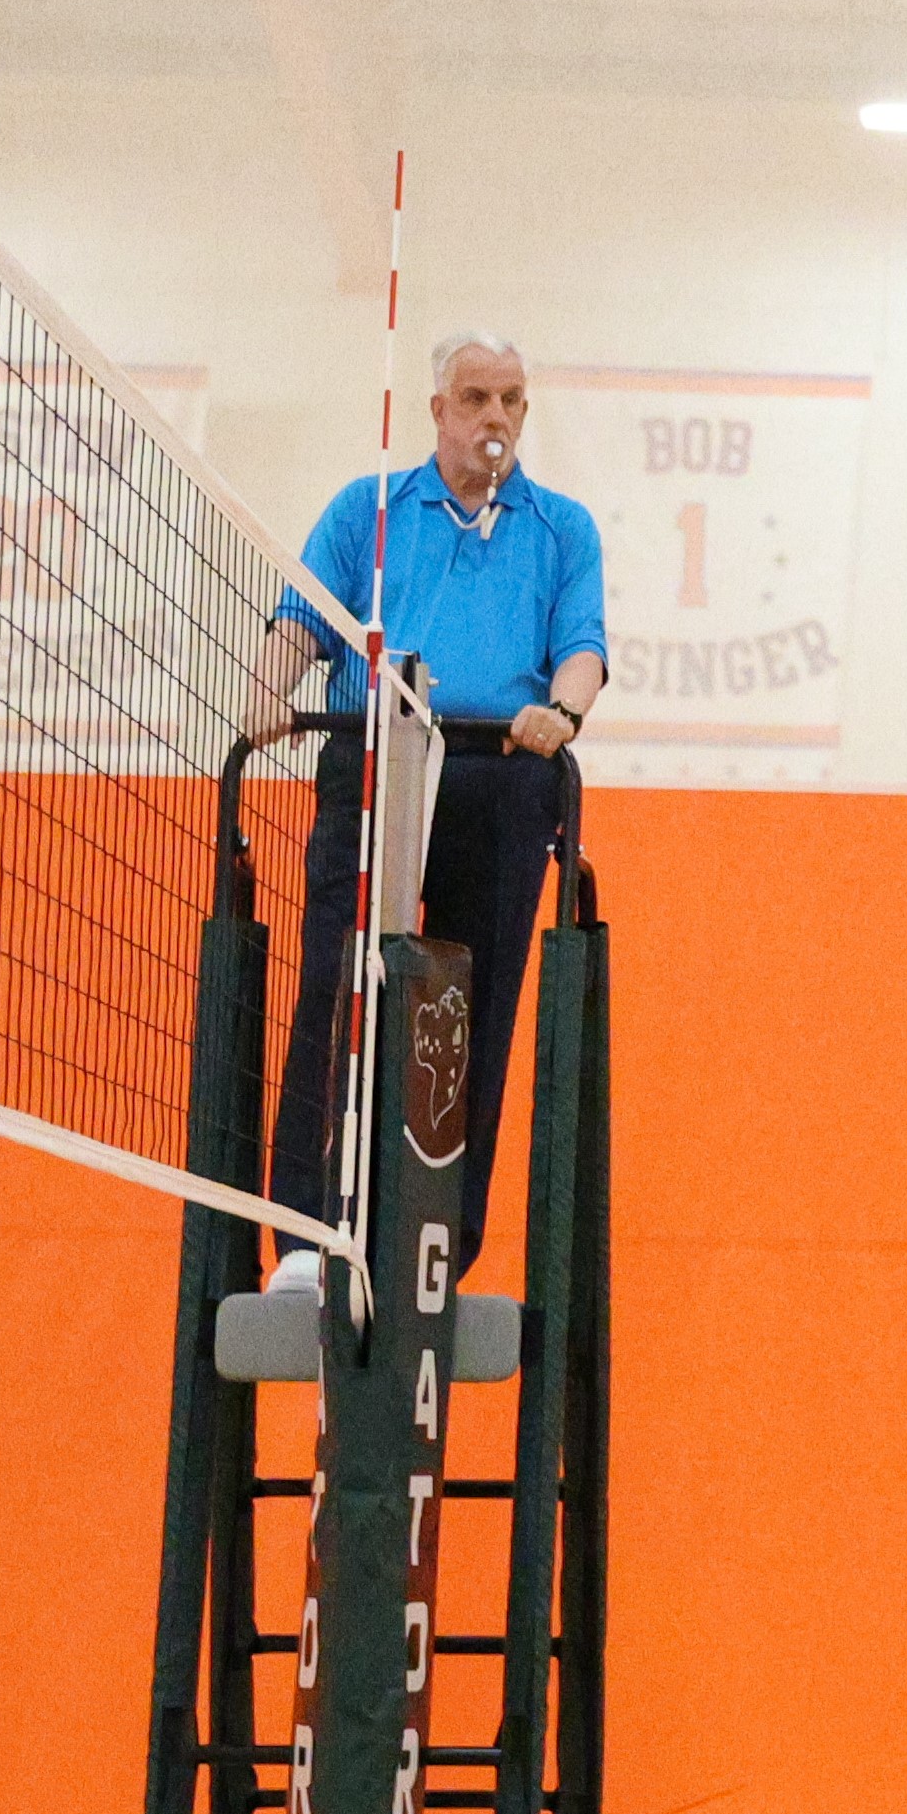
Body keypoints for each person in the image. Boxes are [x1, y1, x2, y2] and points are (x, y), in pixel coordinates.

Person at [236, 330, 606, 1286]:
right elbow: (299, 622)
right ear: (438, 411)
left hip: (500, 774)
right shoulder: (370, 510)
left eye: (511, 399)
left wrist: (561, 713)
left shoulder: (564, 528)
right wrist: (269, 690)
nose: (495, 417)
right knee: (337, 988)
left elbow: (584, 647)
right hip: (380, 766)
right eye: (476, 398)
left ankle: (436, 1245)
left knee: (472, 1017)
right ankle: (308, 1239)